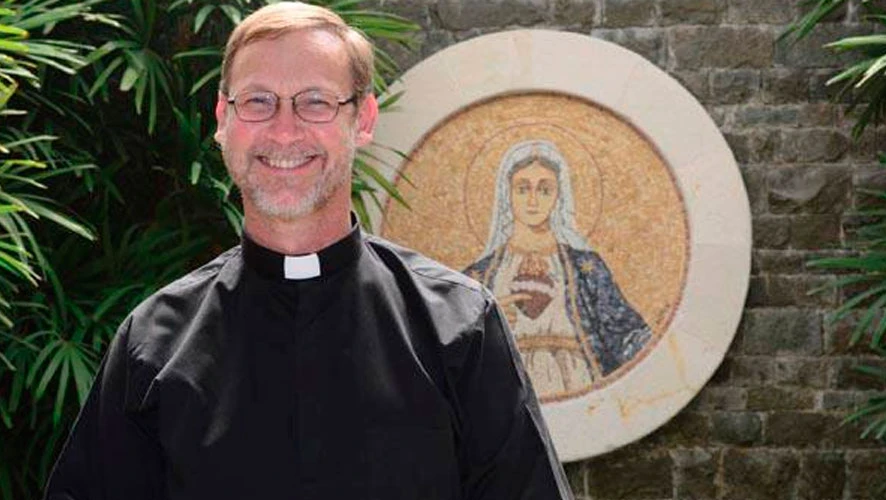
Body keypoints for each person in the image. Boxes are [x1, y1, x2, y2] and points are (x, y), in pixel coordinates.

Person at [43, 3, 573, 499]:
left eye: (315, 101)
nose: (284, 130)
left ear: (362, 120)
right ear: (223, 119)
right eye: (258, 101)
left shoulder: (460, 327)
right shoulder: (153, 342)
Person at [464, 140, 651, 402]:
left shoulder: (586, 268)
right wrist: (489, 322)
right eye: (522, 189)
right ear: (508, 195)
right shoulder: (479, 275)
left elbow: (624, 334)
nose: (532, 201)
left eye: (544, 190)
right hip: (504, 386)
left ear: (558, 196)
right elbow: (451, 344)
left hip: (577, 380)